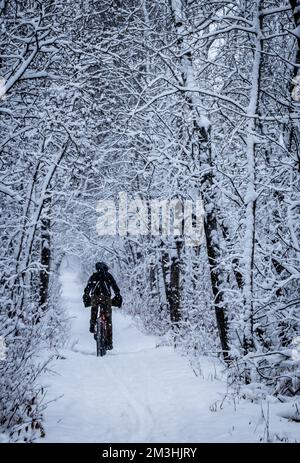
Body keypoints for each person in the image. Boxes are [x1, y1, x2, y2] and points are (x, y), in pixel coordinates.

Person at [83, 262, 121, 350]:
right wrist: (117, 295)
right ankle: (109, 342)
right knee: (108, 320)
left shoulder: (94, 276)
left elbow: (88, 287)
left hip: (95, 298)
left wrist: (86, 295)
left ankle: (92, 324)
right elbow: (115, 287)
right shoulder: (108, 276)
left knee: (94, 310)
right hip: (106, 299)